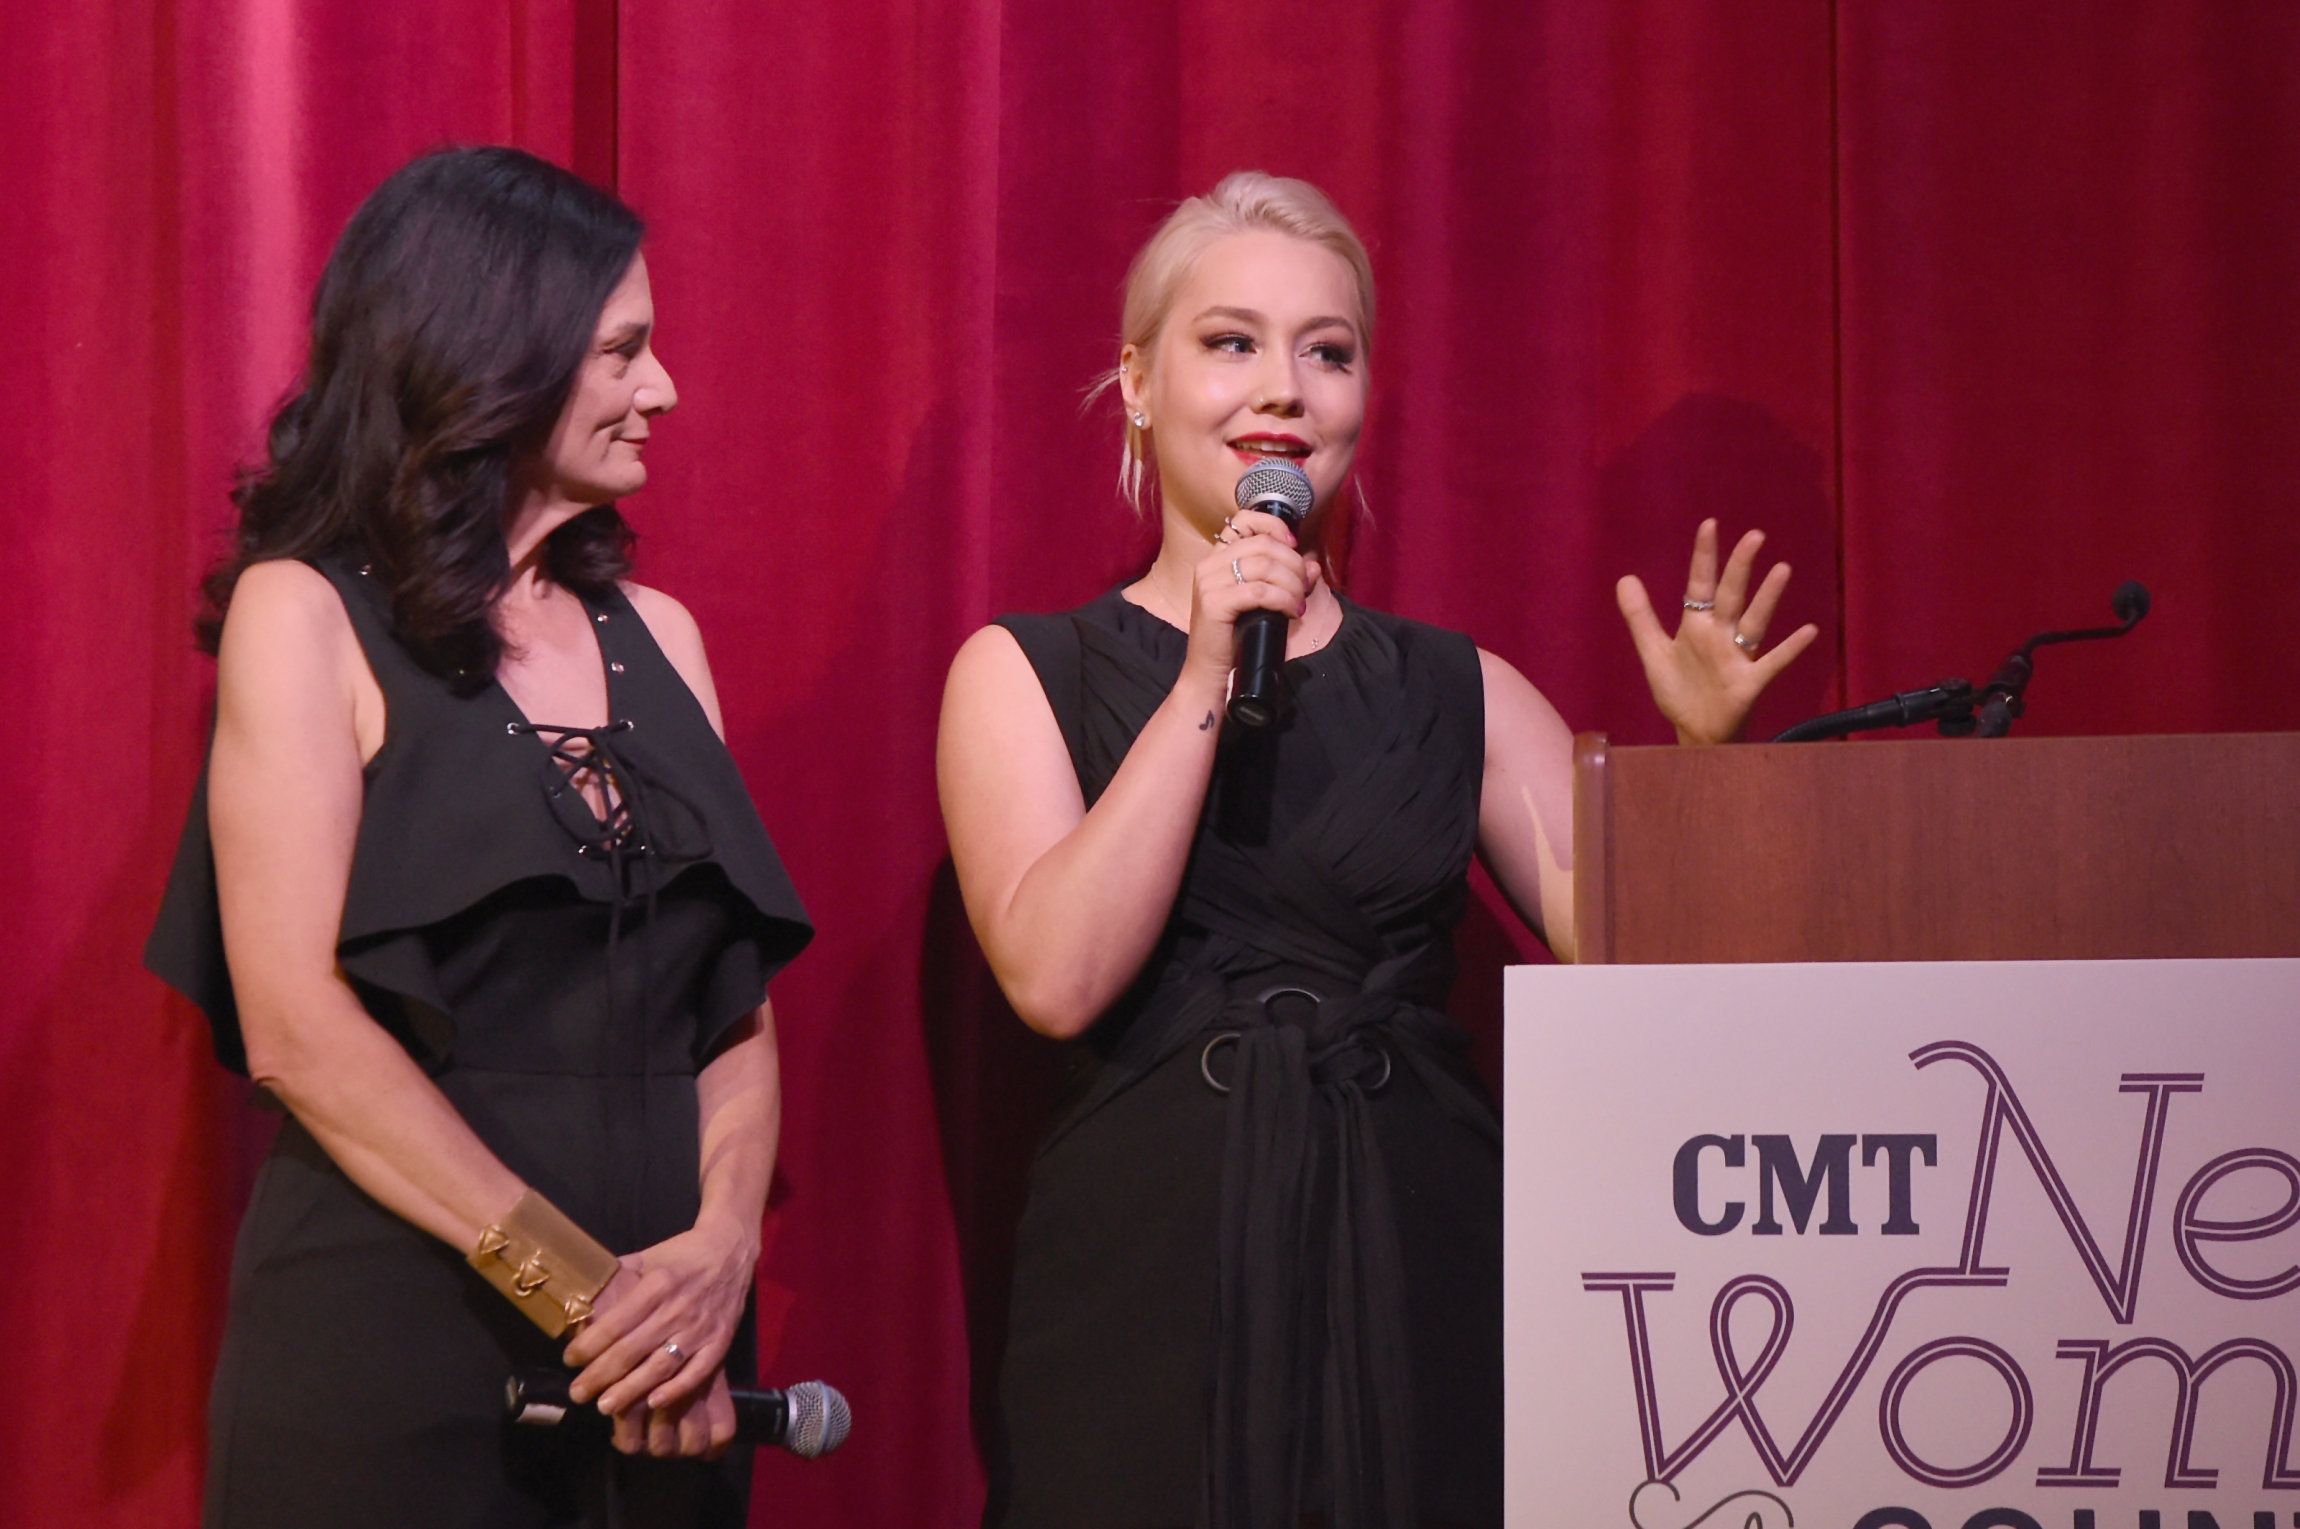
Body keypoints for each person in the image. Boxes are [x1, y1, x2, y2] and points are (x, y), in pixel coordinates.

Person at [936, 172, 1814, 1529]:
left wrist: (1701, 771)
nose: (1282, 389)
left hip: (1423, 1260)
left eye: (1327, 352)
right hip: (1151, 1285)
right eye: (1230, 342)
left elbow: (1650, 966)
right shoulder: (1024, 671)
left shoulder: (1457, 688)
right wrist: (1204, 678)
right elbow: (1057, 973)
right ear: (1137, 380)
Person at [145, 146, 812, 1528]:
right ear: (494, 355)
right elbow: (295, 1028)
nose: (664, 388)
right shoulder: (307, 614)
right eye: (624, 349)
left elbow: (734, 1020)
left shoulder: (667, 639)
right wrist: (592, 1294)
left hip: (667, 1378)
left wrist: (718, 1257)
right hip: (403, 1363)